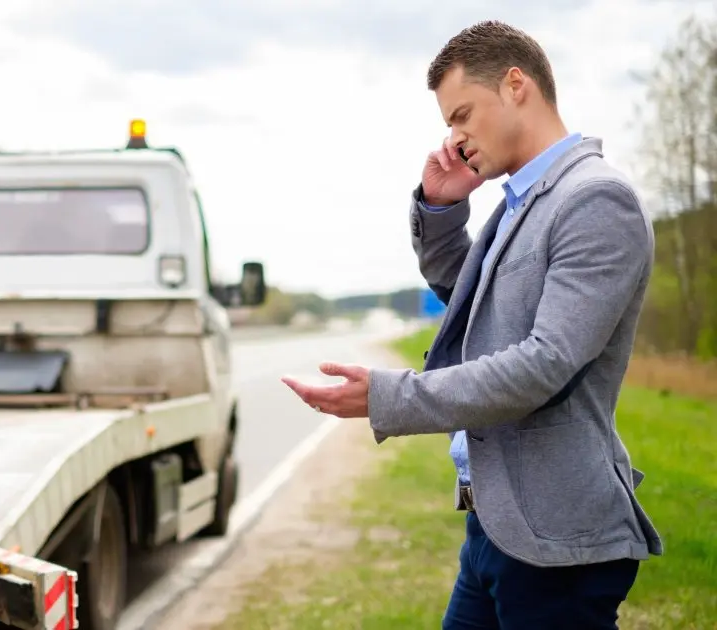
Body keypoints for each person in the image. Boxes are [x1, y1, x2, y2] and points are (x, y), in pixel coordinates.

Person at [281, 20, 663, 629]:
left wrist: (388, 397)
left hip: (553, 538)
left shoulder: (595, 200)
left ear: (516, 86)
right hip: (495, 525)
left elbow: (542, 365)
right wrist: (440, 209)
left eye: (462, 115)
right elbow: (472, 301)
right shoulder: (524, 200)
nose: (455, 138)